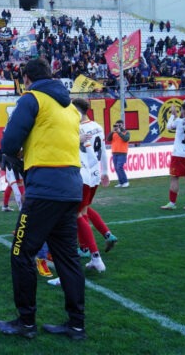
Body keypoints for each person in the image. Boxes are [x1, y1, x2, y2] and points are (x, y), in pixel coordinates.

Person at [0, 57, 86, 340]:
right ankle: (76, 325)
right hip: (71, 186)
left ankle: (26, 322)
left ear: (26, 78)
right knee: (68, 258)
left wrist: (13, 156)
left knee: (21, 253)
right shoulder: (70, 107)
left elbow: (9, 143)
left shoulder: (31, 98)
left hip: (45, 188)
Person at [73, 98, 115, 273]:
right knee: (84, 211)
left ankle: (93, 254)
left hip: (83, 174)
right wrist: (105, 171)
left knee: (77, 214)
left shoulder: (77, 129)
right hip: (95, 174)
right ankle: (87, 249)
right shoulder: (97, 126)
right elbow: (103, 151)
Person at [160, 103, 185, 210]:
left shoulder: (179, 121)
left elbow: (168, 126)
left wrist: (172, 114)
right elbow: (183, 123)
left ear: (184, 111)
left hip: (178, 155)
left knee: (174, 178)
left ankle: (172, 203)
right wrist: (177, 115)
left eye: (181, 109)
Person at [106, 119, 130, 187]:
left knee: (119, 167)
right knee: (116, 168)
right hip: (114, 152)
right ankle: (121, 182)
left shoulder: (126, 132)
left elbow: (126, 139)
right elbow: (108, 139)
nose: (118, 126)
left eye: (119, 125)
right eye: (117, 125)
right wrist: (112, 131)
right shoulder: (114, 133)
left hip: (122, 152)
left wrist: (119, 132)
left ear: (123, 125)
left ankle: (125, 181)